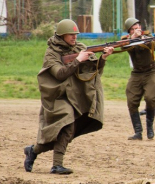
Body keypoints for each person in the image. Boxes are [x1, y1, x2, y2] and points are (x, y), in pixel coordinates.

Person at [23, 19, 114, 175]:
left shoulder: (80, 48)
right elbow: (59, 74)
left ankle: (34, 150)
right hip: (57, 96)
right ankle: (56, 165)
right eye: (70, 34)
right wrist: (78, 60)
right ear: (61, 35)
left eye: (75, 34)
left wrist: (103, 58)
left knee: (67, 132)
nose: (74, 37)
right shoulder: (51, 53)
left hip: (75, 95)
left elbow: (93, 72)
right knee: (67, 124)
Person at [122, 17, 155, 140]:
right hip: (137, 73)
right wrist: (133, 38)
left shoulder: (147, 37)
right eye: (132, 29)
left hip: (151, 71)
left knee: (150, 98)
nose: (136, 30)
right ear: (129, 31)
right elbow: (123, 47)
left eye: (137, 27)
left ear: (140, 27)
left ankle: (150, 128)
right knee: (131, 100)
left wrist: (143, 39)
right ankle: (138, 132)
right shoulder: (127, 40)